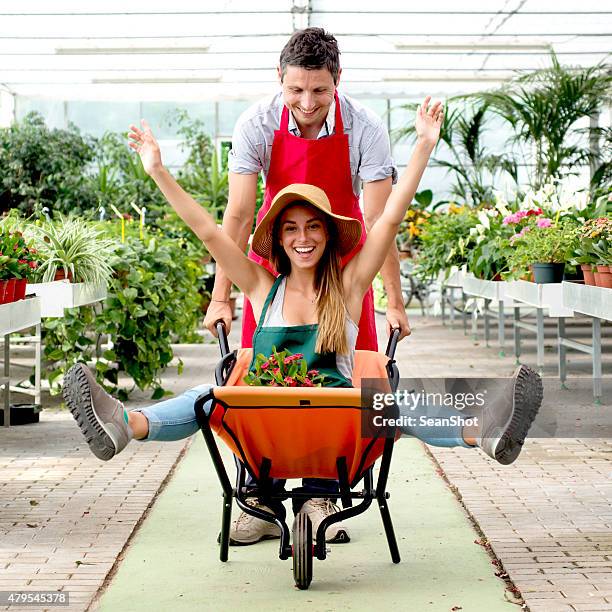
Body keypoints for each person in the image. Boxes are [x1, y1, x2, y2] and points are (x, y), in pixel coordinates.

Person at [62, 98, 543, 549]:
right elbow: (208, 229)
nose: (303, 238)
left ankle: (490, 432)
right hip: (268, 429)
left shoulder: (349, 286)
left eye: (313, 226)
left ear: (329, 233)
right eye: (291, 228)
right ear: (278, 237)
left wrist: (423, 145)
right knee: (208, 398)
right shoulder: (258, 285)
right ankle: (123, 425)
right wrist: (158, 170)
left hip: (332, 431)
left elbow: (390, 220)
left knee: (393, 404)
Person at [204, 27, 409, 350]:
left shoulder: (366, 127)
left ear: (338, 78)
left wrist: (395, 303)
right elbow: (240, 215)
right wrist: (220, 299)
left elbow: (379, 219)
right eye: (296, 89)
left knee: (355, 371)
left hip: (344, 261)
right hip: (279, 256)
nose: (308, 103)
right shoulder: (256, 124)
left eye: (320, 90)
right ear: (279, 76)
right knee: (268, 369)